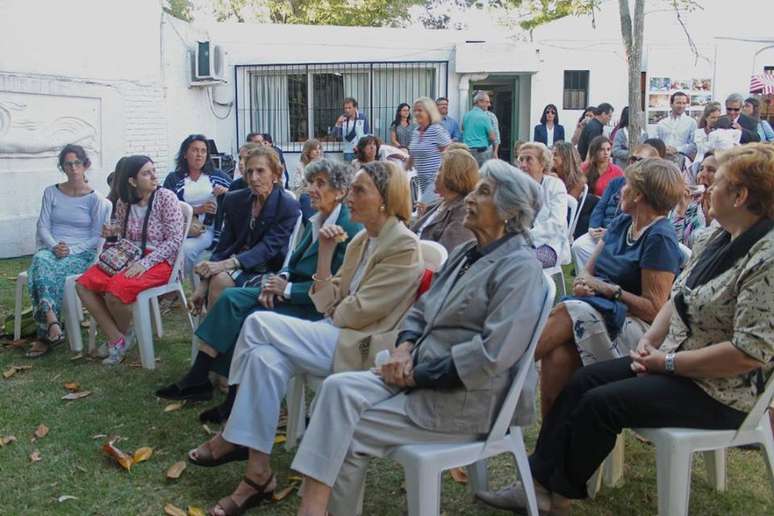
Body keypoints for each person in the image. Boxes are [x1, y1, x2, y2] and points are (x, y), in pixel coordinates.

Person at [477, 144, 774, 515]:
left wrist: (665, 363)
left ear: (741, 195)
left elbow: (747, 353)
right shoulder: (714, 238)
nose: (707, 186)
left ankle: (557, 496)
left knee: (601, 404)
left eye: (719, 182)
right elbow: (675, 301)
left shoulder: (767, 258)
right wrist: (649, 345)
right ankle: (537, 484)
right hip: (676, 362)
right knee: (581, 383)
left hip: (719, 392)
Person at [292, 159, 549, 516]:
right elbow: (421, 310)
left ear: (509, 212)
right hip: (418, 371)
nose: (471, 197)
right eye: (475, 188)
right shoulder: (465, 254)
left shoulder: (521, 269)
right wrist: (405, 347)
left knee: (343, 431)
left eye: (484, 192)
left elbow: (491, 356)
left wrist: (416, 374)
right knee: (336, 389)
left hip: (465, 399)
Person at [187, 161, 424, 516]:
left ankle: (232, 433)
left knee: (257, 325)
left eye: (360, 191)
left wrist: (335, 304)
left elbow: (353, 312)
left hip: (358, 347)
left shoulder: (403, 246)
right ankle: (257, 474)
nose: (352, 197)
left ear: (387, 201)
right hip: (334, 332)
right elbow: (325, 298)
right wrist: (327, 259)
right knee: (263, 358)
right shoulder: (363, 239)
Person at [156, 159, 361, 424]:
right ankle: (200, 377)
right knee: (230, 298)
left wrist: (285, 289)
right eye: (311, 182)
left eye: (320, 184)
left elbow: (336, 288)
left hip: (312, 306)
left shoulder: (346, 228)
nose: (311, 189)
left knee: (247, 318)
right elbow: (293, 262)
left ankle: (231, 399)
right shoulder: (317, 217)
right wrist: (279, 281)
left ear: (341, 190)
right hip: (286, 287)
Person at [536, 158, 684, 417]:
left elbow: (655, 309)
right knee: (557, 357)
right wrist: (584, 284)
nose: (619, 190)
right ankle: (549, 446)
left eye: (626, 185)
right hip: (597, 313)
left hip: (638, 331)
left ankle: (505, 366)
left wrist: (607, 290)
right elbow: (586, 272)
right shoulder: (622, 222)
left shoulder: (660, 238)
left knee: (569, 310)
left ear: (639, 195)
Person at [76, 156, 185, 365]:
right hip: (128, 255)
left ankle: (122, 339)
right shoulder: (124, 202)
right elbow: (123, 236)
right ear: (132, 181)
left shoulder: (166, 198)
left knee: (115, 291)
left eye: (153, 170)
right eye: (146, 173)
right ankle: (117, 338)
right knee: (83, 284)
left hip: (160, 261)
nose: (154, 176)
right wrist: (112, 233)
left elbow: (175, 241)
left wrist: (145, 263)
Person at [190, 146, 299, 314]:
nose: (254, 178)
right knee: (218, 280)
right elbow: (223, 246)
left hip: (269, 270)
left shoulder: (286, 205)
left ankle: (212, 337)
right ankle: (216, 336)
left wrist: (221, 266)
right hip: (235, 267)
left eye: (260, 171)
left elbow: (267, 248)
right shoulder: (235, 200)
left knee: (219, 280)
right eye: (249, 172)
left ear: (275, 175)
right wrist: (203, 284)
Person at [25, 144, 109, 358]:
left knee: (49, 269)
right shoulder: (51, 192)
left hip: (82, 252)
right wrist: (54, 246)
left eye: (77, 163)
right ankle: (52, 318)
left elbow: (96, 236)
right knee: (41, 261)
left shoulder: (95, 199)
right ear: (62, 167)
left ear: (85, 165)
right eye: (68, 164)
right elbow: (43, 225)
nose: (73, 168)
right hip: (53, 247)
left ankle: (44, 334)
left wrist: (70, 250)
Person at [571, 144, 661, 271]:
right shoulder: (616, 182)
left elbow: (632, 221)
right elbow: (600, 207)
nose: (633, 162)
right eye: (632, 158)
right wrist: (593, 227)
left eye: (639, 160)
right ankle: (586, 280)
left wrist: (609, 232)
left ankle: (599, 279)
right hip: (600, 231)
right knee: (578, 246)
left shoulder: (647, 192)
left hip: (620, 236)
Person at [163, 135, 231, 283]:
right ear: (185, 154)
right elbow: (166, 207)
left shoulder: (217, 175)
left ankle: (177, 288)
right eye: (194, 150)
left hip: (208, 229)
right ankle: (172, 288)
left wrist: (225, 192)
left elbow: (238, 194)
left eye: (203, 151)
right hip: (181, 228)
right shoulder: (173, 178)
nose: (199, 154)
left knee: (186, 250)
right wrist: (197, 210)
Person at [410, 149, 478, 252]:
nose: (435, 174)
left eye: (440, 169)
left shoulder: (463, 211)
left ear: (453, 175)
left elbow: (447, 251)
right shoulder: (442, 203)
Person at [517, 142, 570, 268]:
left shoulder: (555, 186)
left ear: (542, 164)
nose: (523, 165)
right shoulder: (517, 187)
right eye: (521, 160)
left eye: (529, 159)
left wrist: (526, 238)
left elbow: (556, 223)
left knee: (519, 263)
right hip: (518, 244)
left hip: (549, 245)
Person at [669, 152, 718, 248]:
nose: (702, 175)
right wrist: (680, 210)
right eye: (701, 169)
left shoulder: (727, 214)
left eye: (711, 170)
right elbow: (671, 244)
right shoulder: (691, 204)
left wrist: (710, 221)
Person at [408, 96, 451, 203]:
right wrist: (404, 168)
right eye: (415, 111)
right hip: (422, 180)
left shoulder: (436, 130)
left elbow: (451, 151)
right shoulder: (416, 131)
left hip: (435, 181)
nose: (416, 113)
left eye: (420, 110)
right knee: (426, 212)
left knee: (425, 209)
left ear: (429, 112)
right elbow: (413, 153)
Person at [552, 141, 598, 238]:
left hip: (564, 219)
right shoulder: (550, 173)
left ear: (565, 158)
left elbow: (567, 204)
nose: (552, 157)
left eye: (555, 155)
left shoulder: (578, 180)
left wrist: (556, 182)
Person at [655, 91, 698, 165]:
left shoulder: (691, 122)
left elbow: (693, 145)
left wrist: (677, 149)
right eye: (678, 103)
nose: (681, 106)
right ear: (671, 104)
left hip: (681, 159)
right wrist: (664, 148)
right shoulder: (662, 123)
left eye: (684, 103)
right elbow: (656, 141)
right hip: (663, 159)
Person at [461, 91, 496, 166]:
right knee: (482, 175)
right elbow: (492, 137)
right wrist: (487, 142)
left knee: (469, 175)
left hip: (467, 151)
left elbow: (463, 129)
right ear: (479, 102)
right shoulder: (485, 116)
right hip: (481, 152)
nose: (489, 105)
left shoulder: (466, 115)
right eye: (487, 102)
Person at [332, 97, 370, 162]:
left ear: (355, 108)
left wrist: (361, 147)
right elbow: (335, 135)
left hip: (360, 151)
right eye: (345, 108)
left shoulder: (362, 118)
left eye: (349, 108)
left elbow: (366, 135)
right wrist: (338, 124)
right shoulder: (342, 118)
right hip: (348, 151)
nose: (347, 110)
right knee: (349, 170)